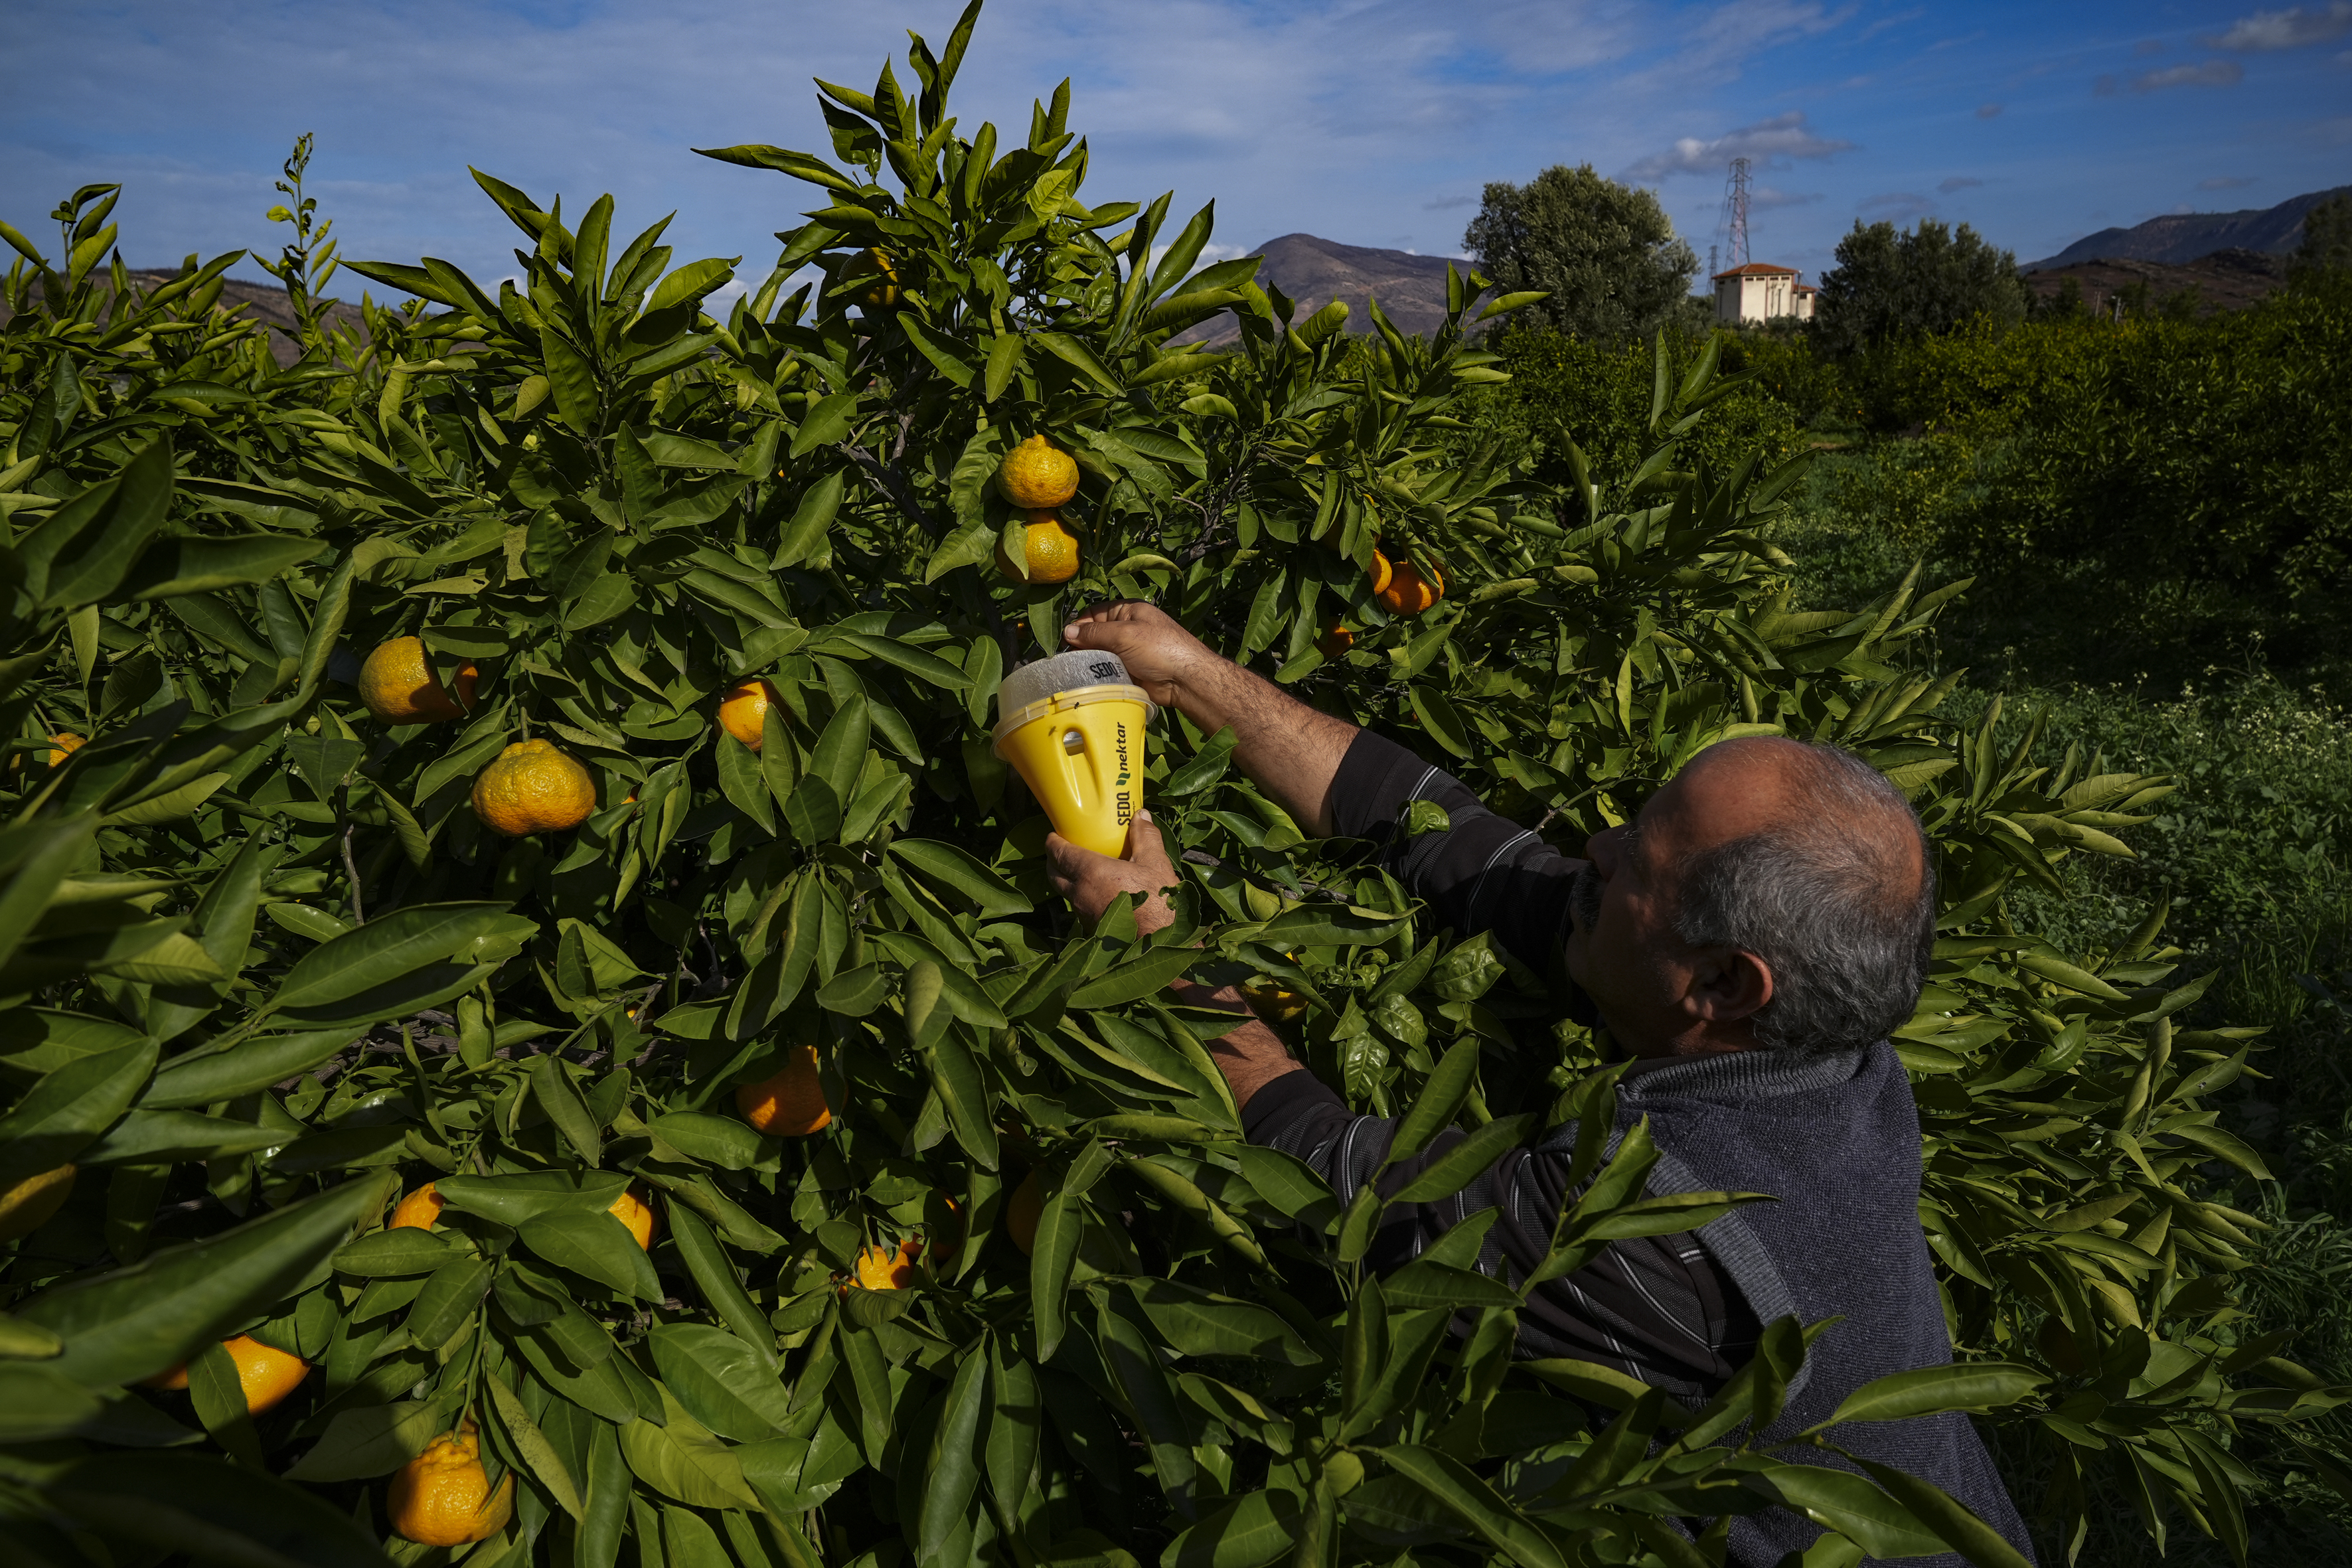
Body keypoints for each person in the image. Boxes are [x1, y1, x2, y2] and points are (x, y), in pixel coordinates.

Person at [1038, 601, 2033, 1568]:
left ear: (1724, 982)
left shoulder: (1665, 1239)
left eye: (1635, 854)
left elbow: (1338, 1183)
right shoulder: (1836, 1056)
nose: (1595, 845)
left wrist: (1159, 952)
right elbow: (1457, 842)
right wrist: (1191, 676)